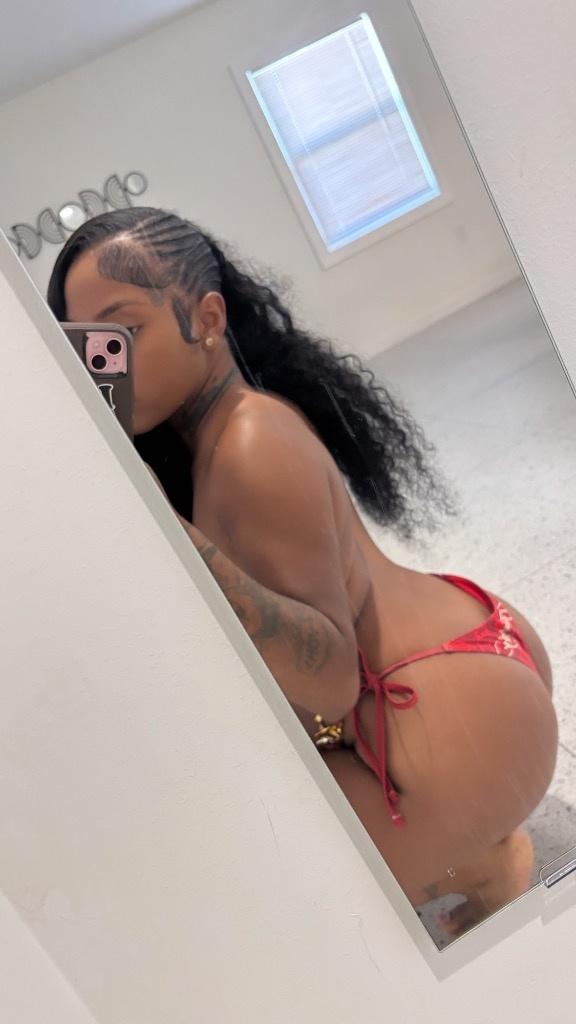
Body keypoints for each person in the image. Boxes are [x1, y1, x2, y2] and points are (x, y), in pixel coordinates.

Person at [47, 207, 558, 938]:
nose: (111, 364)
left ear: (208, 318)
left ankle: (482, 862)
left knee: (260, 881)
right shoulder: (233, 428)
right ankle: (472, 854)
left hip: (457, 727)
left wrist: (179, 538)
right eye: (91, 347)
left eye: (124, 331)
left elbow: (330, 681)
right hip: (467, 668)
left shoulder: (248, 443)